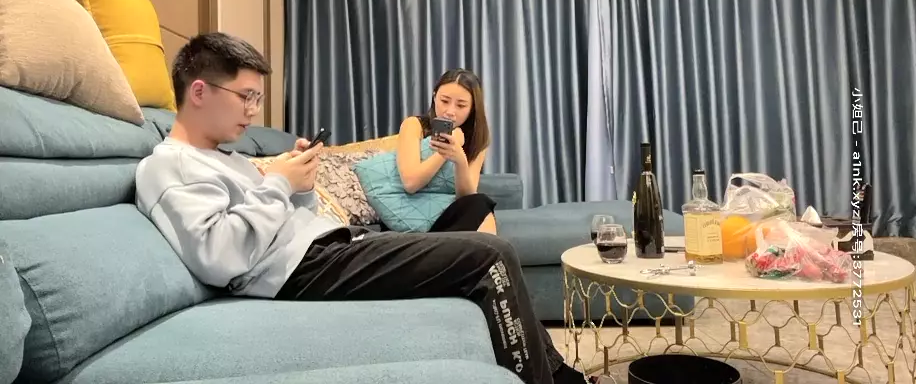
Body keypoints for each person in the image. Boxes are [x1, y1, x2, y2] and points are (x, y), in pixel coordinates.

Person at [134, 32, 595, 384]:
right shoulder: (167, 165)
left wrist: (300, 185)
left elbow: (289, 217)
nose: (254, 110)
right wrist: (278, 182)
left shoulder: (228, 158)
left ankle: (561, 375)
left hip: (328, 248)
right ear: (200, 92)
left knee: (489, 257)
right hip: (302, 271)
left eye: (258, 98)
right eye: (246, 97)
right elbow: (219, 256)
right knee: (491, 255)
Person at [396, 68, 498, 234]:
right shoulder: (414, 125)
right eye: (444, 101)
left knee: (480, 203)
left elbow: (467, 198)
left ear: (472, 108)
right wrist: (444, 151)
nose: (450, 111)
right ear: (434, 97)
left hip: (448, 216)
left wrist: (460, 160)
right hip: (411, 217)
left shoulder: (478, 140)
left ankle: (489, 251)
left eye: (461, 105)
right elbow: (411, 183)